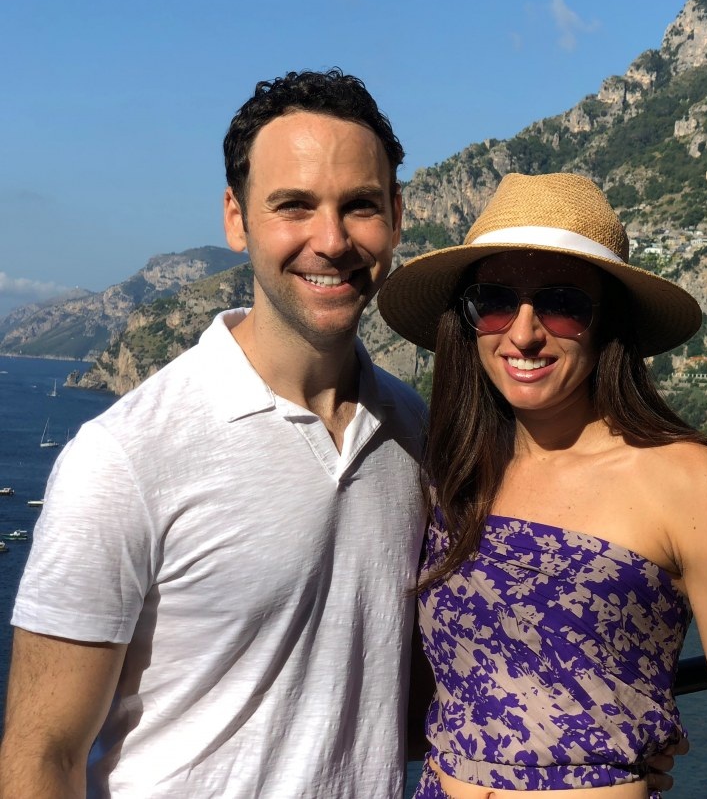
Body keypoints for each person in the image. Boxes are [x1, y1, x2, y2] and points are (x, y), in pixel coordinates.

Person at [0, 69, 428, 798]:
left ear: (395, 215)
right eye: (294, 205)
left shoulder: (415, 433)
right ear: (236, 218)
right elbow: (43, 752)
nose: (331, 240)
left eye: (359, 206)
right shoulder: (126, 456)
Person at [377, 172, 707, 798]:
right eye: (494, 302)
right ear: (466, 322)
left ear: (608, 323)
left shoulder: (683, 478)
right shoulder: (450, 473)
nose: (524, 333)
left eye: (562, 305)